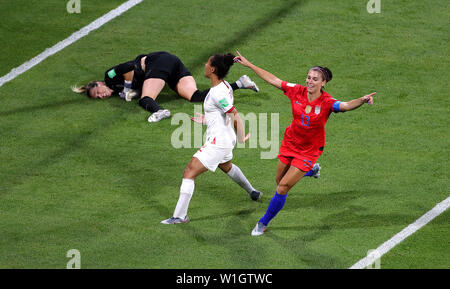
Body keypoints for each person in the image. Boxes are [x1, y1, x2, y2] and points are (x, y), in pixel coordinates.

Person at [233, 51, 376, 236]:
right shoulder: (296, 90)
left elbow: (346, 106)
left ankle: (263, 222)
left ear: (323, 83)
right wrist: (250, 64)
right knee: (279, 181)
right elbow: (274, 80)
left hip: (308, 151)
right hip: (290, 142)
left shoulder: (327, 102)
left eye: (315, 79)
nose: (309, 81)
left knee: (282, 187)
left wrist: (362, 100)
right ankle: (311, 171)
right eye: (308, 77)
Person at [160, 53, 263, 225]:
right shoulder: (224, 86)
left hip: (219, 142)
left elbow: (234, 114)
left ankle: (179, 216)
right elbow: (222, 113)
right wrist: (208, 119)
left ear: (213, 69)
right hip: (225, 137)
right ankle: (252, 191)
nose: (205, 65)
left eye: (207, 63)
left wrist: (241, 138)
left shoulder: (217, 93)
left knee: (189, 171)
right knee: (226, 166)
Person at [72, 51, 259, 122]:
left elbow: (129, 67)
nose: (101, 95)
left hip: (158, 63)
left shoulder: (109, 77)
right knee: (195, 96)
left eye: (98, 91)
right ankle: (241, 83)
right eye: (98, 97)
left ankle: (159, 111)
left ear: (99, 84)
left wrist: (128, 88)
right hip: (171, 64)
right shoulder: (115, 91)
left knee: (146, 99)